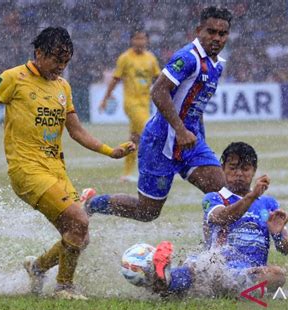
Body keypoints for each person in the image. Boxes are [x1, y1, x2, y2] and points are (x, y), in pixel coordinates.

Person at [0, 27, 135, 300]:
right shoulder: (13, 78)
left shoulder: (63, 87)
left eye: (66, 62)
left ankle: (36, 268)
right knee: (79, 220)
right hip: (26, 171)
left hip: (56, 170)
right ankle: (64, 288)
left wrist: (110, 151)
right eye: (56, 60)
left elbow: (77, 131)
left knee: (79, 234)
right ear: (38, 53)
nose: (60, 67)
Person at [84, 6, 232, 222]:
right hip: (161, 142)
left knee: (224, 196)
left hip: (190, 144)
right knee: (147, 212)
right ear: (198, 30)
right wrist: (180, 130)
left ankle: (216, 252)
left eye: (222, 33)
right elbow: (159, 91)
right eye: (211, 32)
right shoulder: (188, 58)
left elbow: (195, 106)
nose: (216, 38)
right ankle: (91, 204)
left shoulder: (216, 65)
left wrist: (200, 141)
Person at [127, 142, 288, 297]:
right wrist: (251, 196)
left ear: (254, 170)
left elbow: (285, 249)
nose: (239, 174)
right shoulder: (213, 198)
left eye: (245, 169)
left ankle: (172, 284)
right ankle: (163, 278)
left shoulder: (268, 203)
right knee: (196, 268)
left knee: (277, 275)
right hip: (217, 265)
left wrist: (277, 234)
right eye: (233, 168)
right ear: (223, 169)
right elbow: (221, 217)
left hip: (248, 271)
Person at [99, 30, 161, 182]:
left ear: (146, 40)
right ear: (132, 40)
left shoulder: (151, 58)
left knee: (135, 139)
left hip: (145, 103)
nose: (139, 41)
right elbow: (115, 79)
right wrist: (106, 97)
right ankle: (154, 171)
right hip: (131, 103)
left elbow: (158, 78)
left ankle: (126, 174)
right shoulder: (125, 58)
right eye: (136, 38)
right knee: (149, 132)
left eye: (142, 38)